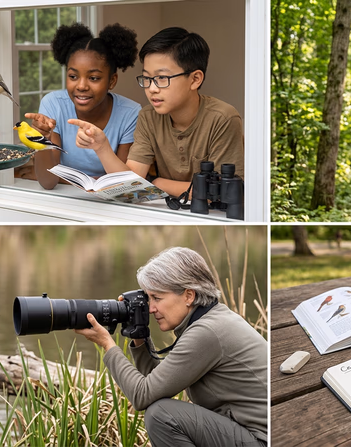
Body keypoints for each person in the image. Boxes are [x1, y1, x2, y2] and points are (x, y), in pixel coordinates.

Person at [75, 247, 267, 446]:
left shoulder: (207, 332)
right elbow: (157, 387)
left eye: (157, 298)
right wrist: (139, 338)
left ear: (188, 296)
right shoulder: (214, 318)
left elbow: (142, 396)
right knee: (160, 409)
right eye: (148, 298)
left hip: (263, 439)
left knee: (161, 415)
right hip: (251, 433)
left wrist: (107, 344)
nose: (151, 308)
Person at [69, 27, 244, 199]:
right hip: (165, 214)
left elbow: (224, 193)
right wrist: (101, 147)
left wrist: (159, 183)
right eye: (147, 78)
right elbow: (129, 186)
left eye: (162, 78)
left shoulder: (223, 118)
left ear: (195, 79)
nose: (152, 89)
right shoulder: (148, 117)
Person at [24, 22, 142, 190]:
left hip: (108, 202)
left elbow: (121, 181)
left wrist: (65, 178)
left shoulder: (130, 113)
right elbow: (48, 181)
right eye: (73, 76)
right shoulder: (53, 104)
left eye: (93, 78)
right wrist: (42, 140)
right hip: (65, 196)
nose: (81, 86)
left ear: (112, 81)